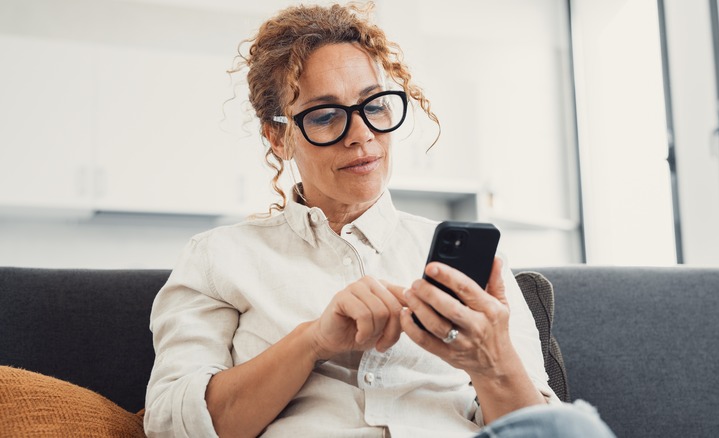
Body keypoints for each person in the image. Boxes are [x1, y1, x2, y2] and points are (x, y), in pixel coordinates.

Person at [144, 3, 615, 437]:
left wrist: (490, 360)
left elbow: (539, 429)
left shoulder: (476, 263)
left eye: (374, 106)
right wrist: (313, 341)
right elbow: (170, 425)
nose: (361, 134)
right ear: (278, 137)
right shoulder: (218, 258)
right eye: (325, 115)